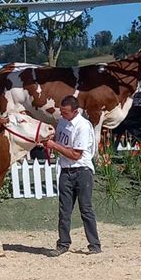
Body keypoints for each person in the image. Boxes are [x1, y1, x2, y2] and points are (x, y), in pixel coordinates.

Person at [43, 95, 101, 257]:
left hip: (82, 170)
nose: (62, 115)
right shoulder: (62, 122)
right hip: (66, 170)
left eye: (65, 112)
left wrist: (54, 145)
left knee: (86, 209)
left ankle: (94, 244)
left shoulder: (83, 126)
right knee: (64, 210)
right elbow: (58, 138)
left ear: (75, 111)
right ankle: (63, 244)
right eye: (61, 111)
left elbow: (76, 154)